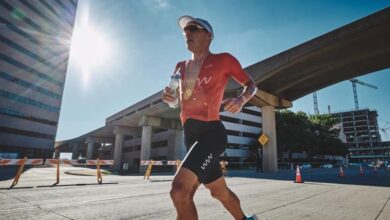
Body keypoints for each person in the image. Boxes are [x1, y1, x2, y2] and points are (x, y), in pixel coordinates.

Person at [162, 15, 258, 220]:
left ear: (208, 35)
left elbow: (251, 85)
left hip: (211, 134)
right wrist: (171, 99)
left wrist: (241, 100)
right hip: (190, 137)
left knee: (179, 190)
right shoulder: (180, 66)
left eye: (193, 29)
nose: (187, 33)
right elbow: (179, 102)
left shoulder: (223, 60)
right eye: (185, 30)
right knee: (219, 192)